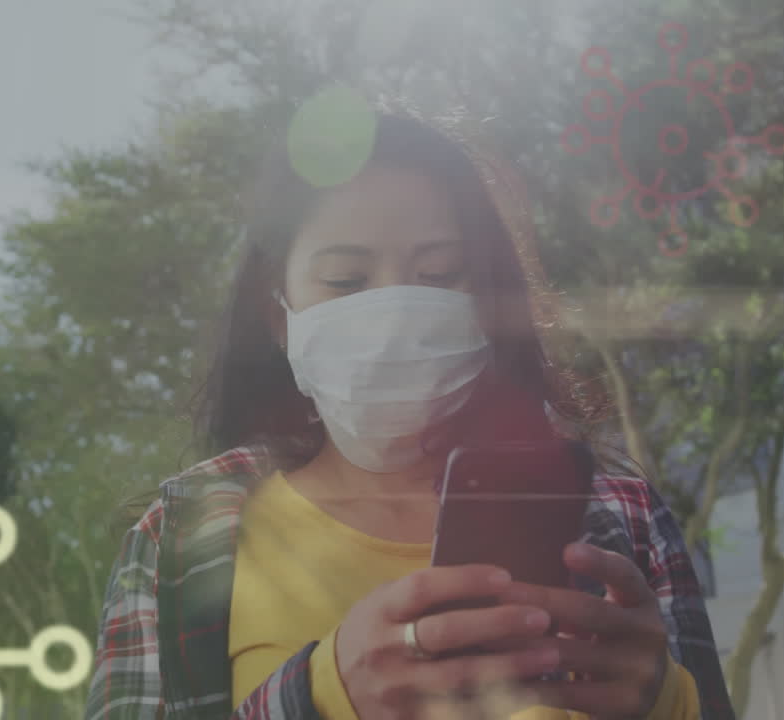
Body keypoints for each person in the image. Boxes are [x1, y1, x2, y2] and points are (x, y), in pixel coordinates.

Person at [83, 96, 735, 720]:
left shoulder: (624, 512)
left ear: (488, 298)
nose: (393, 315)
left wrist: (663, 703)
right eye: (345, 280)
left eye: (440, 272)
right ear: (276, 313)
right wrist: (319, 698)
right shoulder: (179, 539)